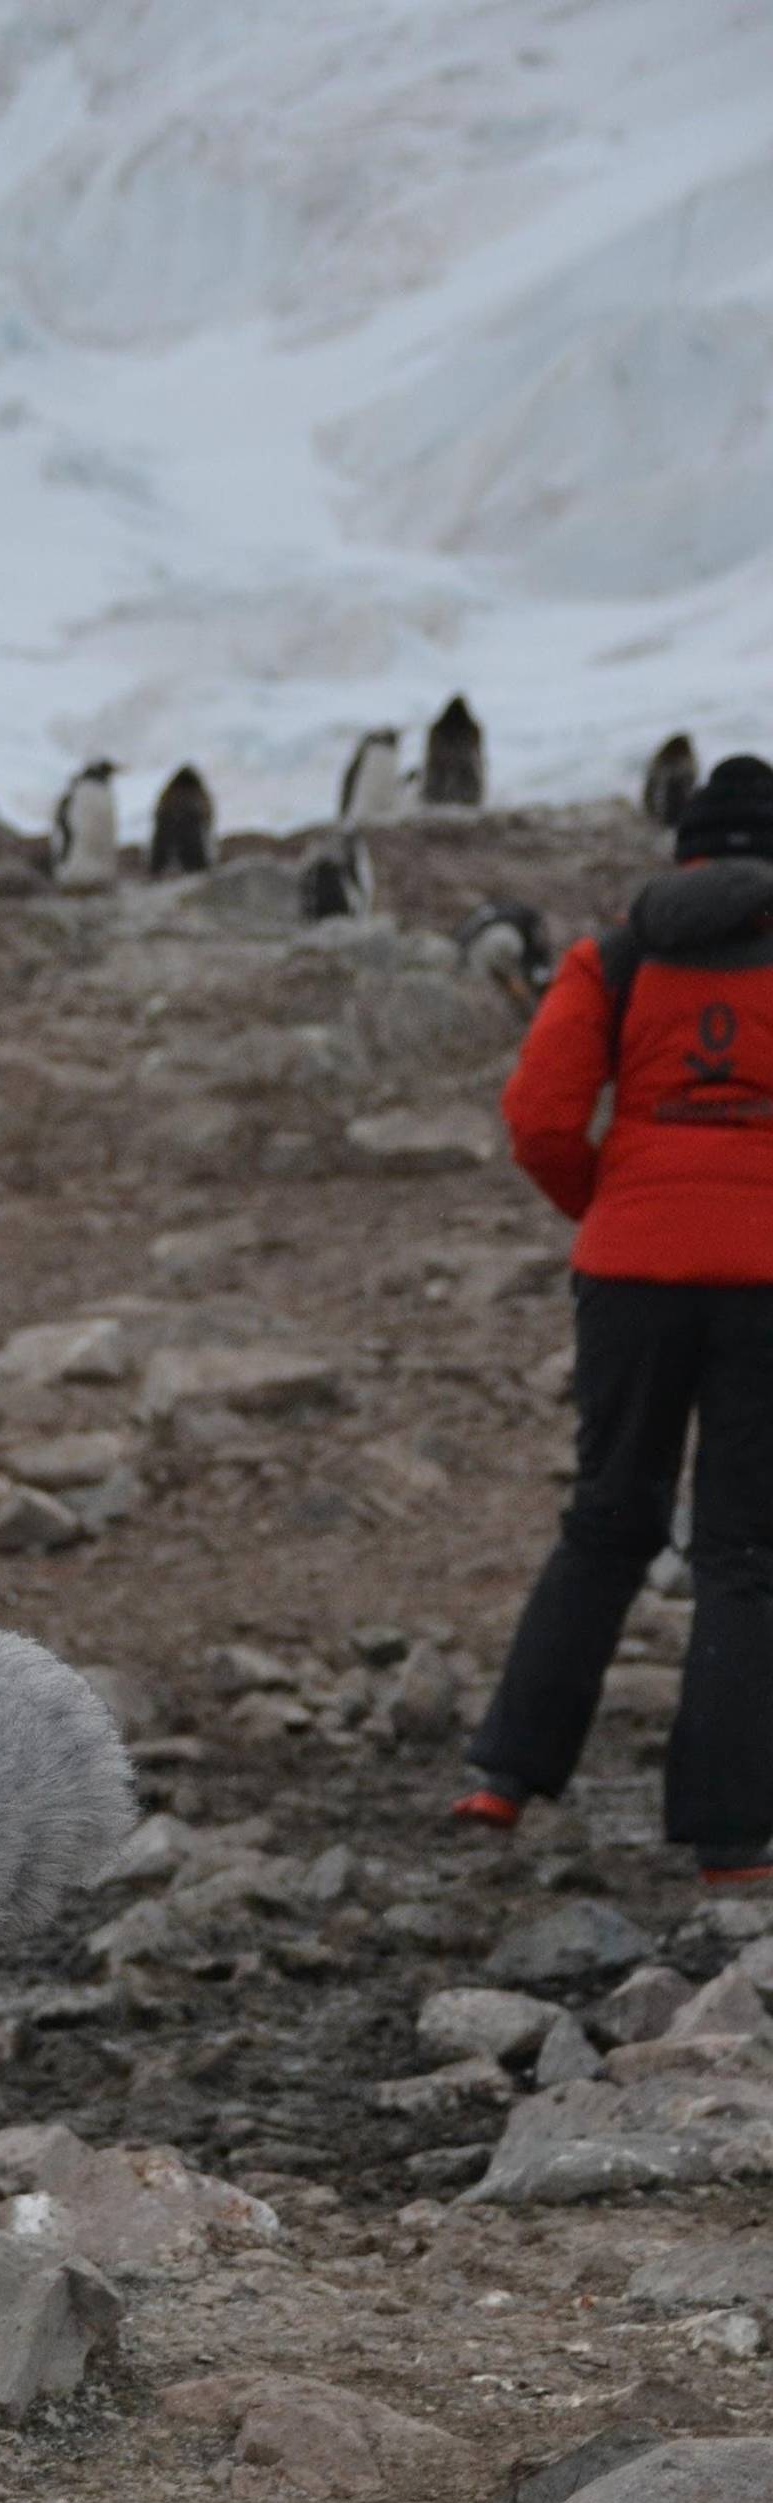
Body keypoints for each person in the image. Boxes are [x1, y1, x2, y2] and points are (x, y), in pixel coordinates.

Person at [456, 754, 773, 1885]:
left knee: (605, 1522)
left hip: (629, 1275)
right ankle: (732, 1841)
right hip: (766, 1282)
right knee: (745, 1552)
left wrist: (616, 1208)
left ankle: (504, 1772)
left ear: (683, 846)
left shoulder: (615, 955)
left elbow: (539, 1116)